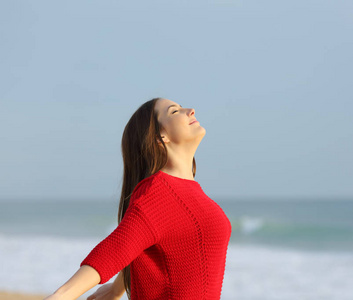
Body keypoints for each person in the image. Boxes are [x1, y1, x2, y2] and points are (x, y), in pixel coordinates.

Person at [43, 98, 232, 300]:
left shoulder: (186, 191)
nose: (191, 110)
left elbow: (145, 244)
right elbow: (115, 249)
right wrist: (61, 296)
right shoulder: (157, 193)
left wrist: (118, 287)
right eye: (175, 111)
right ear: (160, 137)